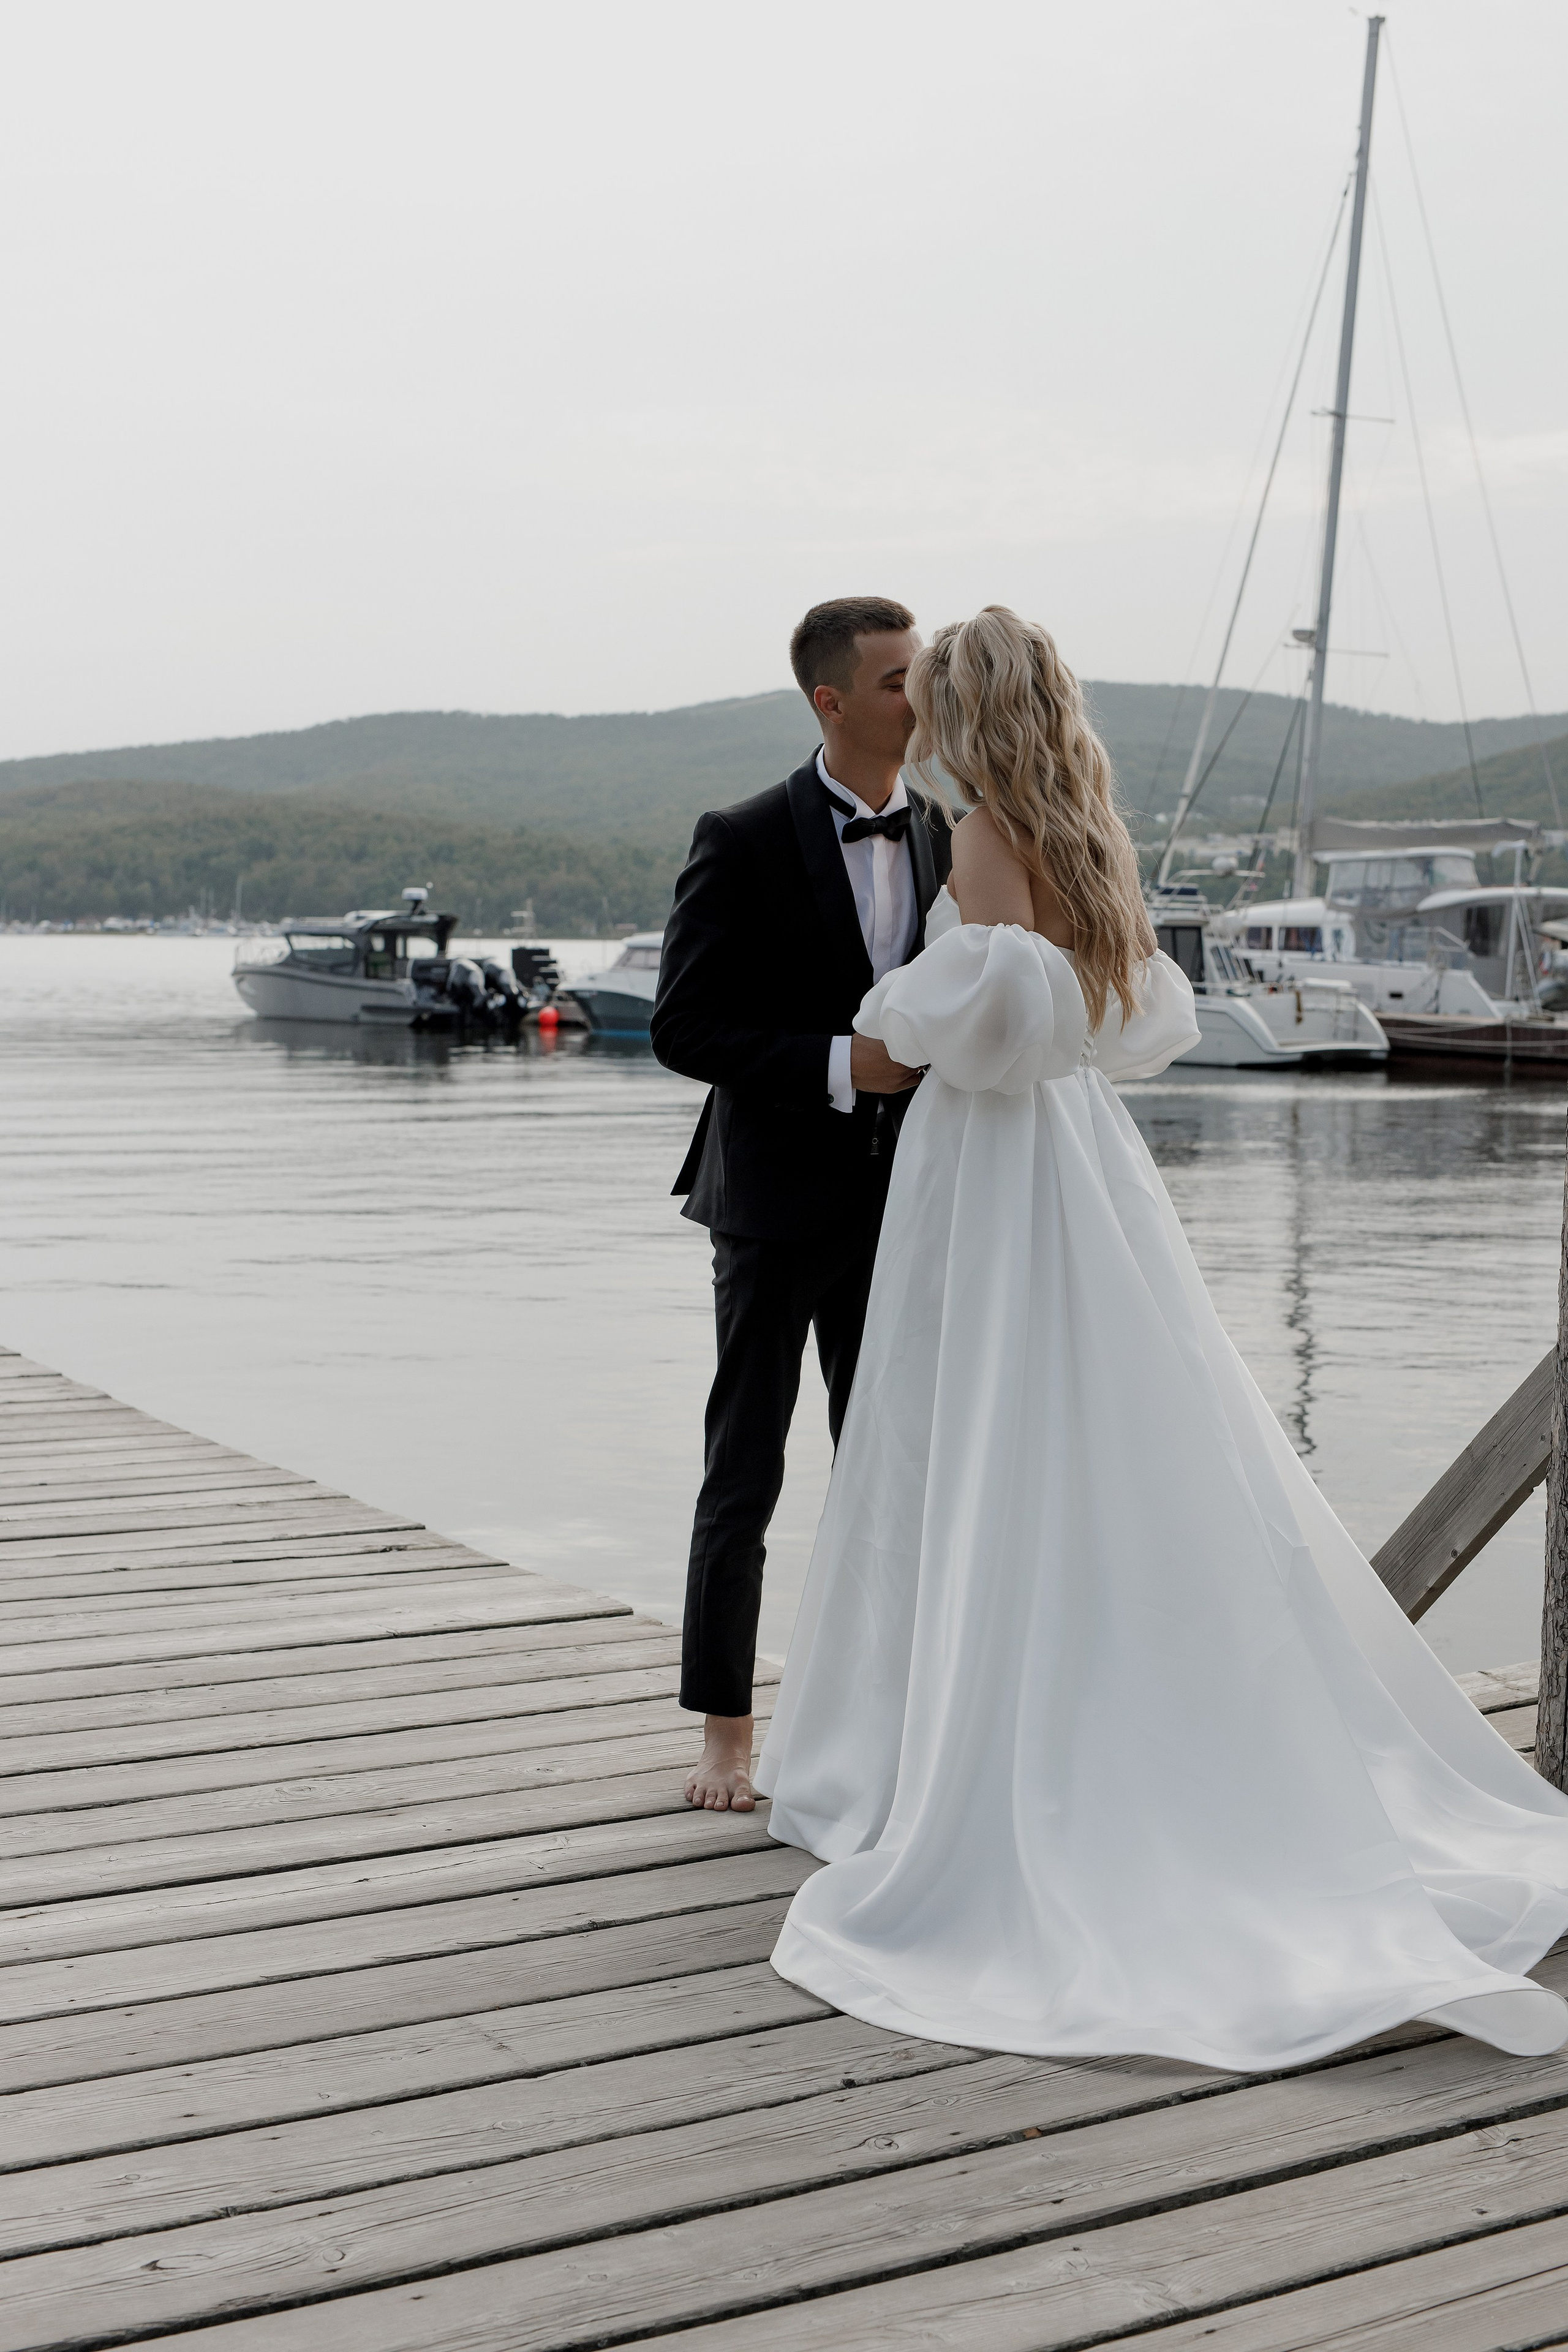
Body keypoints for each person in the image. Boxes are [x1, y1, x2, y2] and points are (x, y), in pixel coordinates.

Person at [755, 605, 1568, 2071]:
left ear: (965, 713)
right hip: (1081, 1169)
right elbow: (1114, 1020)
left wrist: (905, 1015)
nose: (915, 720)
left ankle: (957, 1750)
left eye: (926, 698)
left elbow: (968, 1028)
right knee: (1109, 1442)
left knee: (977, 1442)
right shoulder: (1083, 836)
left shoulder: (988, 837)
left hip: (993, 1176)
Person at [651, 596, 954, 1812]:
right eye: (895, 681)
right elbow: (683, 1025)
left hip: (909, 1200)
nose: (918, 696)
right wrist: (842, 1064)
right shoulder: (739, 834)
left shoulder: (945, 830)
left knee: (890, 1462)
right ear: (830, 702)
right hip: (771, 1200)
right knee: (745, 1467)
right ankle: (724, 1726)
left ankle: (877, 1712)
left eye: (920, 673)